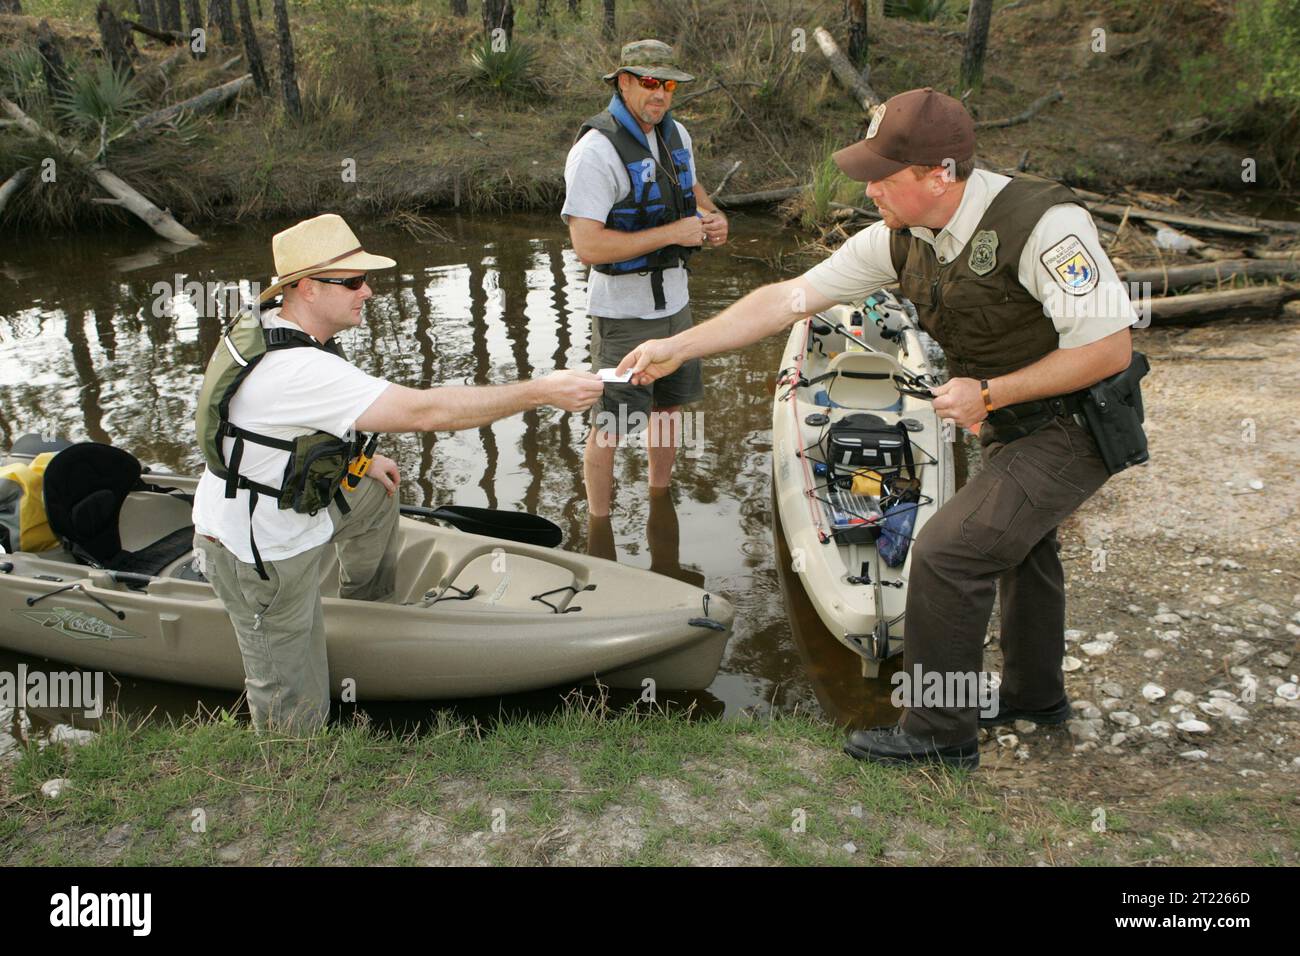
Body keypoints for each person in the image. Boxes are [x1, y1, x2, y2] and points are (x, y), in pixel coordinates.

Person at [617, 88, 1139, 769]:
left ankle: (938, 732)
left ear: (939, 175)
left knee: (949, 552)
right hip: (1013, 419)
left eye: (882, 178)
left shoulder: (1046, 226)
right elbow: (787, 300)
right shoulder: (900, 239)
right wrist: (680, 346)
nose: (869, 192)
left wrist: (988, 392)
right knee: (1023, 547)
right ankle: (1034, 699)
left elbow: (1109, 349)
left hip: (1078, 423)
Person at [192, 213, 604, 732]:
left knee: (374, 490)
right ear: (304, 289)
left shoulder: (278, 324)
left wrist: (355, 462)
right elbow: (427, 413)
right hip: (261, 550)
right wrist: (542, 390)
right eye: (352, 282)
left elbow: (288, 430)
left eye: (365, 279)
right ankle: (290, 777)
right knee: (292, 704)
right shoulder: (298, 368)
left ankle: (371, 611)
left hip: (282, 502)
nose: (368, 291)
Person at [561, 39, 728, 529]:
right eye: (651, 82)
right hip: (623, 314)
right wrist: (673, 232)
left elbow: (694, 194)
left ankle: (660, 499)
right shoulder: (594, 151)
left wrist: (713, 218)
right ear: (625, 81)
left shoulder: (678, 135)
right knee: (611, 424)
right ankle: (598, 524)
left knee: (670, 408)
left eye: (669, 84)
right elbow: (587, 246)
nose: (661, 93)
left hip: (676, 305)